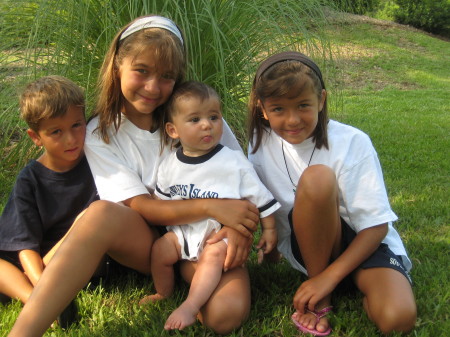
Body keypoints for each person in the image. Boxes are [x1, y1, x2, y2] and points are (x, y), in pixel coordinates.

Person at [9, 15, 259, 337]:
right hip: (150, 245)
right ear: (117, 65)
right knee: (100, 214)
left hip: (210, 242)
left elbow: (243, 181)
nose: (153, 87)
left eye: (167, 76)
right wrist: (212, 207)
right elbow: (140, 205)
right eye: (141, 70)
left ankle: (189, 278)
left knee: (226, 316)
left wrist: (237, 230)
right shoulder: (101, 133)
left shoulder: (198, 117)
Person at [247, 51, 417, 336]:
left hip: (366, 244)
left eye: (303, 105)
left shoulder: (353, 142)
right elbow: (265, 200)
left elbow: (376, 226)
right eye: (278, 109)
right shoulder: (259, 143)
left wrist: (330, 277)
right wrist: (274, 252)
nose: (292, 120)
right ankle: (321, 298)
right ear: (262, 109)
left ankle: (345, 284)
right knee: (316, 180)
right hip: (314, 248)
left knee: (398, 320)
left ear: (321, 100)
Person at [138, 81, 280, 330]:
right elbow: (162, 204)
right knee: (160, 249)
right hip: (183, 233)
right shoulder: (170, 164)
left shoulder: (232, 162)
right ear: (173, 130)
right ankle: (164, 291)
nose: (207, 124)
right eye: (194, 120)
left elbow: (261, 198)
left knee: (213, 255)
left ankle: (191, 306)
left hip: (217, 236)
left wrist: (269, 231)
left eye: (213, 117)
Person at [0, 75, 98, 326]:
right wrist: (41, 281)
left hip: (81, 258)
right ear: (35, 137)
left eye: (77, 125)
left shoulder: (98, 162)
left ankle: (44, 300)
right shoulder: (30, 179)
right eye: (56, 131)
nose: (71, 139)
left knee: (89, 217)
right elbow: (24, 244)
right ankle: (39, 301)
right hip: (38, 260)